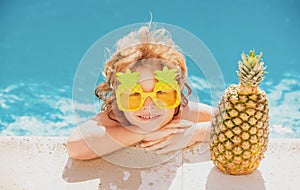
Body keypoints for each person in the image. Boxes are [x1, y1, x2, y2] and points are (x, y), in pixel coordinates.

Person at [66, 24, 213, 160]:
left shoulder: (180, 113)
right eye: (135, 95)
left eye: (161, 94)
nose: (149, 105)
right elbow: (75, 147)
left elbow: (230, 121)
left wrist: (194, 133)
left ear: (177, 96)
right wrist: (142, 133)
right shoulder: (116, 117)